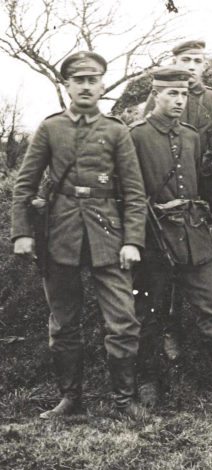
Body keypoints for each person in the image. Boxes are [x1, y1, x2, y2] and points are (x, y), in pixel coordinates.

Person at [11, 51, 148, 419]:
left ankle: (125, 402)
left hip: (109, 237)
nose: (86, 86)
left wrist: (133, 240)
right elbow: (24, 185)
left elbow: (134, 192)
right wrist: (21, 233)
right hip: (60, 236)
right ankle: (71, 401)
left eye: (93, 80)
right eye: (79, 80)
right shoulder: (50, 128)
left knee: (123, 321)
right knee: (63, 323)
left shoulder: (116, 130)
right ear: (68, 85)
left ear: (102, 85)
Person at [129, 67, 212, 407]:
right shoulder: (136, 136)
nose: (179, 100)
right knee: (147, 311)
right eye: (171, 94)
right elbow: (129, 192)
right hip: (154, 237)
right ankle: (148, 378)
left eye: (183, 94)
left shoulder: (190, 136)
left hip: (192, 233)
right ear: (155, 95)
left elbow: (201, 182)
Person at [144, 40, 212, 361]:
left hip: (200, 200)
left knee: (204, 280)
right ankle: (167, 337)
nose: (192, 66)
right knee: (158, 284)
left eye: (197, 60)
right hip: (162, 210)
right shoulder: (149, 115)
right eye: (186, 60)